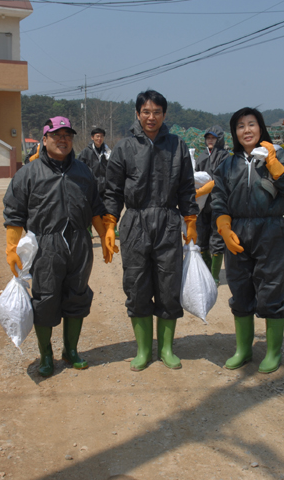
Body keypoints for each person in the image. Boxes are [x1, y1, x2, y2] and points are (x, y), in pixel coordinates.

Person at [3, 116, 116, 377]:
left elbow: (95, 208)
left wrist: (104, 235)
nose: (62, 139)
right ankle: (46, 356)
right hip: (45, 245)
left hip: (79, 242)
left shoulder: (83, 171)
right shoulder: (28, 173)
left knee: (77, 296)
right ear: (45, 139)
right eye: (56, 135)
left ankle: (71, 350)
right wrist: (11, 247)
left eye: (67, 135)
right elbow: (15, 213)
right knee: (45, 299)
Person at [104, 90, 199, 372]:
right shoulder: (124, 148)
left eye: (157, 112)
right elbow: (112, 190)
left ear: (164, 115)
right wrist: (110, 224)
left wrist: (190, 219)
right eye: (146, 111)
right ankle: (144, 350)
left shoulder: (177, 146)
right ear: (137, 113)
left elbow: (186, 186)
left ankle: (167, 348)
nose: (151, 117)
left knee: (169, 287)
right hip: (134, 222)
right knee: (137, 286)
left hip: (169, 221)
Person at [210, 107, 284, 374]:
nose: (246, 130)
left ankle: (273, 352)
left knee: (271, 289)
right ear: (234, 133)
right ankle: (243, 349)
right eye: (240, 126)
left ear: (261, 128)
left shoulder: (280, 155)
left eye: (251, 124)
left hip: (271, 231)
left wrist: (274, 165)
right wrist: (224, 226)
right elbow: (218, 200)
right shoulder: (227, 164)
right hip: (237, 231)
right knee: (240, 292)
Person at [194, 126, 230, 285]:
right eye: (208, 137)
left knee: (217, 239)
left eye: (213, 138)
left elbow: (226, 178)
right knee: (201, 239)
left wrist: (213, 185)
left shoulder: (224, 157)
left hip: (218, 203)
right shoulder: (201, 157)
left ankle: (214, 277)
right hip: (202, 204)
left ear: (219, 139)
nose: (210, 140)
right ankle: (206, 273)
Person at [77, 127, 111, 237]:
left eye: (101, 136)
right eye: (97, 136)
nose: (99, 138)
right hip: (91, 184)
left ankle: (111, 228)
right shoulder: (86, 152)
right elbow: (80, 167)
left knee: (108, 207)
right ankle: (88, 228)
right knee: (89, 208)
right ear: (92, 138)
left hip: (105, 184)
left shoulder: (107, 151)